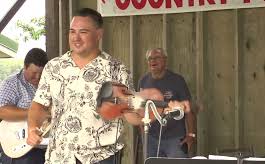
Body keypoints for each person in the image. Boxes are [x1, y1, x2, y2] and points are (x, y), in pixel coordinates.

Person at [26, 8, 185, 164]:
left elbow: (130, 113)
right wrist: (33, 127)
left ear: (99, 34)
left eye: (83, 32)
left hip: (102, 157)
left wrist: (160, 108)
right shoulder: (54, 67)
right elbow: (39, 104)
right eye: (72, 31)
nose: (76, 38)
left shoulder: (116, 69)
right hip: (60, 156)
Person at [138, 48, 196, 158]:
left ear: (165, 60)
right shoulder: (143, 81)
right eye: (150, 58)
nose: (153, 61)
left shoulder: (177, 80)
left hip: (175, 139)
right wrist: (143, 135)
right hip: (151, 139)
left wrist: (191, 134)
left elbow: (188, 109)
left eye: (157, 58)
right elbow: (140, 110)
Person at [0, 48, 49, 164]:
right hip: (19, 144)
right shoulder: (11, 83)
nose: (37, 77)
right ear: (25, 67)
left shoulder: (51, 85)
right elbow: (2, 111)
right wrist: (37, 113)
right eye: (34, 73)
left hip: (46, 144)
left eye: (41, 73)